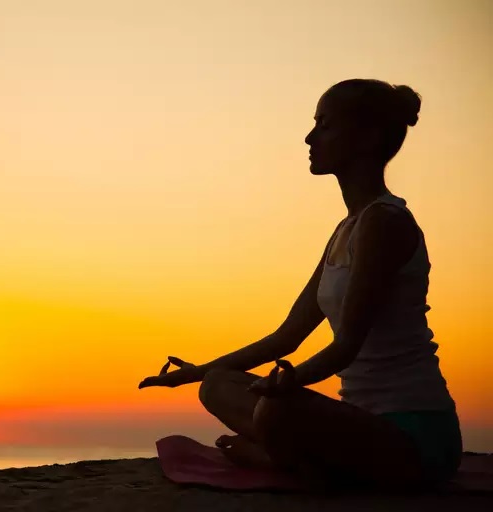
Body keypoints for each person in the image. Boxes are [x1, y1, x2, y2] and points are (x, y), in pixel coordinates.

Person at [138, 79, 462, 491]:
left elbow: (346, 346)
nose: (310, 137)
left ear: (368, 137)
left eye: (325, 125)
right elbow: (287, 337)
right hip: (356, 424)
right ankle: (292, 454)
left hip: (412, 436)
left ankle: (281, 456)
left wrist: (288, 383)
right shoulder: (347, 229)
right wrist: (196, 373)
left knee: (277, 412)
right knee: (219, 383)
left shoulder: (385, 223)